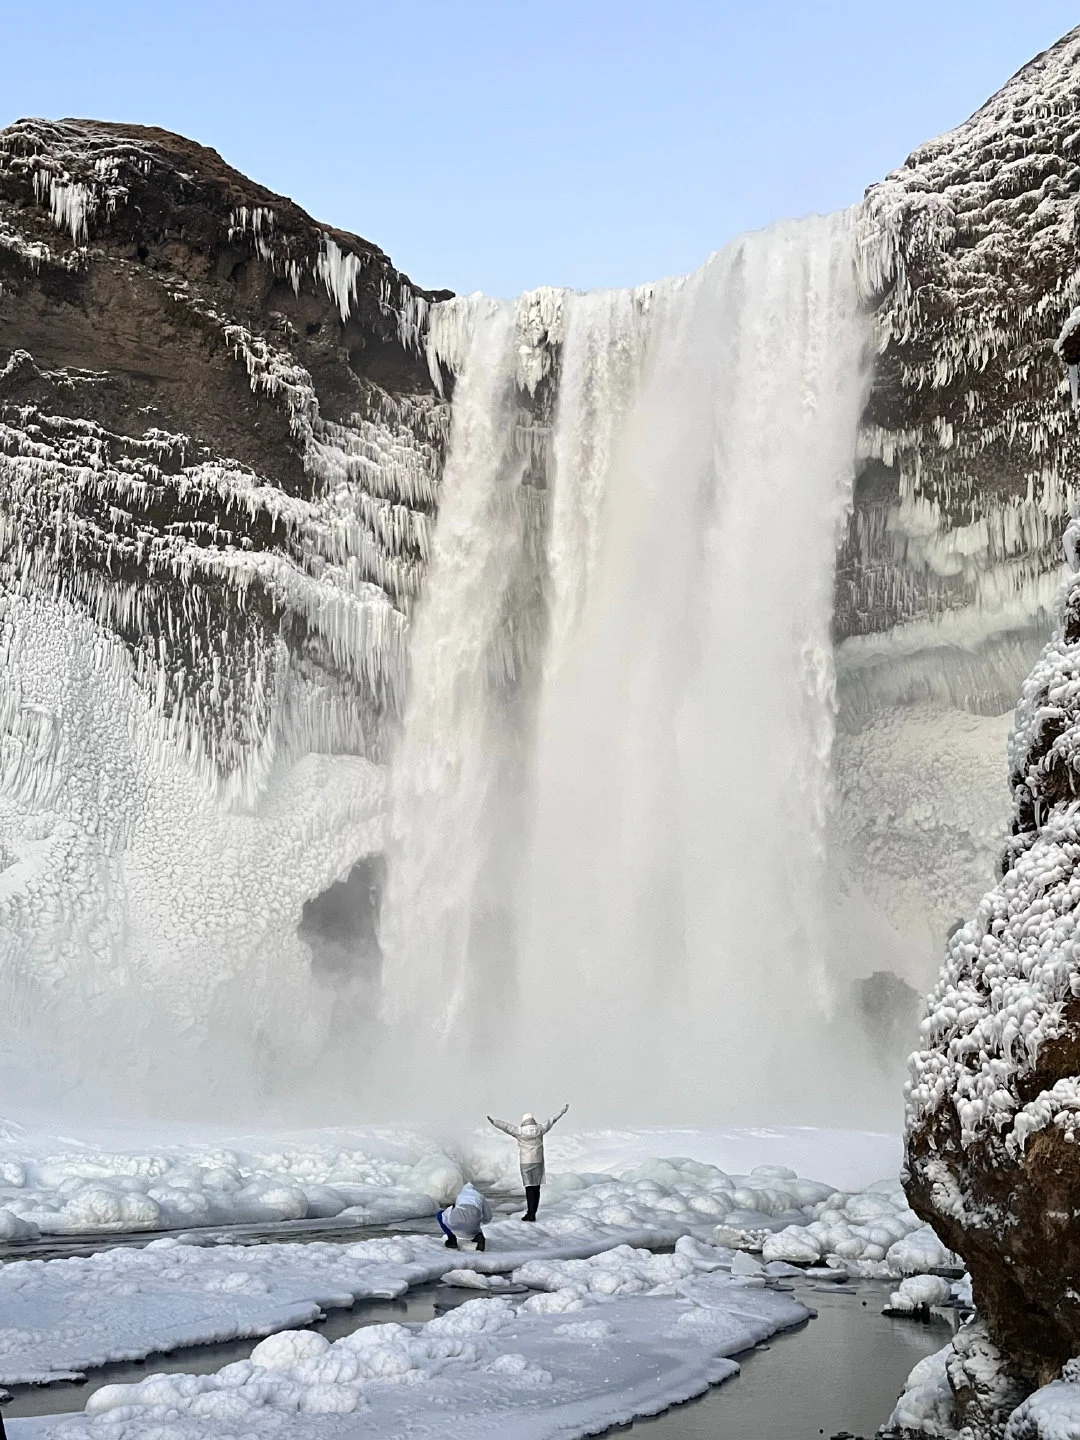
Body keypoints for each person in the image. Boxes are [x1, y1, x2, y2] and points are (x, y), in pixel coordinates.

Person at [487, 1103, 569, 1221]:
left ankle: (530, 1214)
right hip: (538, 1161)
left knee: (529, 1187)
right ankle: (533, 1213)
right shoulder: (540, 1129)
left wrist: (494, 1122)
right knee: (536, 1187)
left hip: (525, 1162)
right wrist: (562, 1111)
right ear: (532, 1120)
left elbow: (506, 1127)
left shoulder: (519, 1131)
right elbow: (552, 1120)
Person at [436, 1181, 492, 1251]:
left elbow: (455, 1210)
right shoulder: (480, 1196)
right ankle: (478, 1237)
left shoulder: (460, 1196)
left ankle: (452, 1239)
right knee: (474, 1229)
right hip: (473, 1220)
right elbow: (488, 1216)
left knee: (440, 1215)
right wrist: (481, 1220)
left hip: (457, 1219)